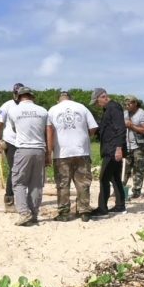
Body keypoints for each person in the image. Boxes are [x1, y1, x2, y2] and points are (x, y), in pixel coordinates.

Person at [47, 91, 98, 222]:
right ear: (71, 98)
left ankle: (64, 213)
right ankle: (84, 211)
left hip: (61, 152)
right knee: (83, 182)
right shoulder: (82, 107)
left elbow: (49, 131)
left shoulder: (53, 110)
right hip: (82, 151)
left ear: (58, 100)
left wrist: (49, 150)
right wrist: (84, 137)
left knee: (63, 183)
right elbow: (93, 128)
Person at [7, 86, 49, 226]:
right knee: (36, 184)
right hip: (40, 150)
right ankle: (34, 214)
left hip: (23, 149)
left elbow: (14, 129)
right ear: (32, 96)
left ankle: (24, 213)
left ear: (18, 97)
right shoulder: (43, 111)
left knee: (18, 182)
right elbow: (46, 131)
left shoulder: (13, 111)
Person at [89, 88, 127, 216]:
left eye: (97, 101)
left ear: (103, 96)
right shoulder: (108, 109)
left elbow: (121, 128)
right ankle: (120, 205)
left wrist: (118, 148)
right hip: (110, 148)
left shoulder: (113, 108)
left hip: (112, 150)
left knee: (103, 178)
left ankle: (102, 208)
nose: (96, 104)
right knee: (115, 177)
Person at [0, 82, 24, 210]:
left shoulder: (27, 106)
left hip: (24, 142)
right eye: (16, 93)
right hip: (10, 142)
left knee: (23, 170)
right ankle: (9, 198)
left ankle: (23, 198)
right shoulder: (7, 106)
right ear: (13, 93)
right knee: (14, 169)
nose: (18, 96)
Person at [123, 95, 144, 199]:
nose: (127, 106)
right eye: (125, 104)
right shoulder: (125, 114)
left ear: (135, 103)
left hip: (139, 145)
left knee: (138, 168)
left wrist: (132, 126)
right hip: (127, 144)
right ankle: (121, 188)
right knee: (125, 168)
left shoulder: (142, 114)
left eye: (129, 103)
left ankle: (136, 190)